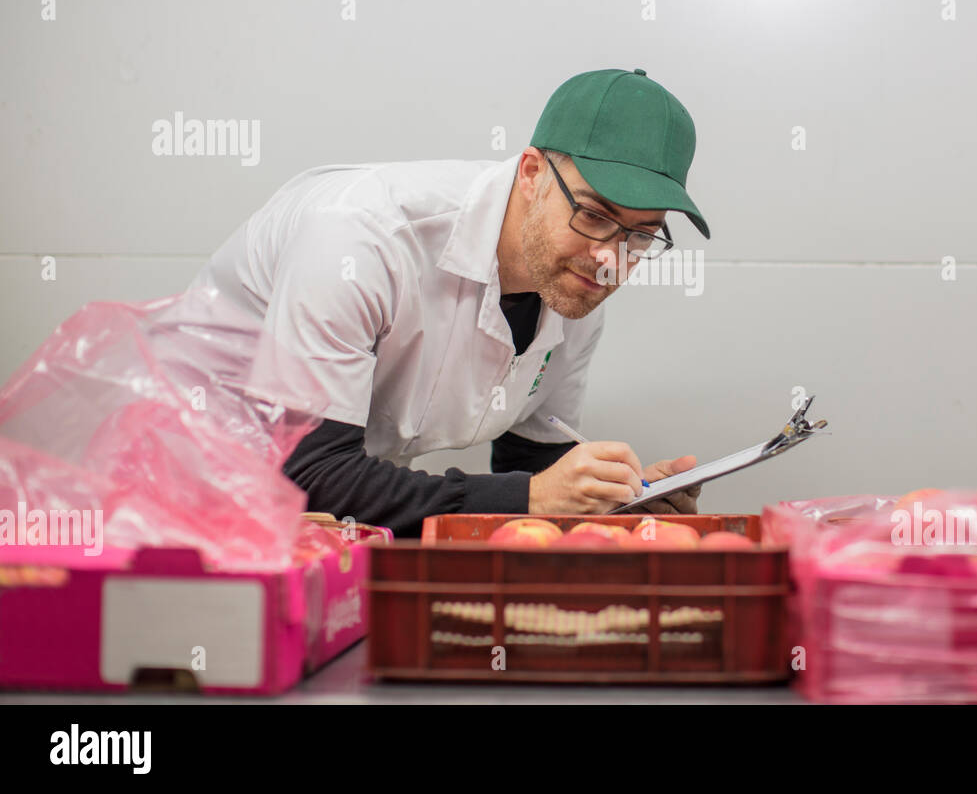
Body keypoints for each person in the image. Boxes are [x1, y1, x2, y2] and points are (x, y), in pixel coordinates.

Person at [186, 67, 711, 537]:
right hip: (186, 484)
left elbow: (532, 461)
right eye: (594, 214)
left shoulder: (573, 286)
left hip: (322, 519)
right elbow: (310, 475)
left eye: (641, 235)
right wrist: (532, 498)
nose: (610, 258)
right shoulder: (365, 237)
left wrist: (614, 500)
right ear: (531, 173)